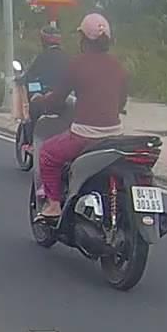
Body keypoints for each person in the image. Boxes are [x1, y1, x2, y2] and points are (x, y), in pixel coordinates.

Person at [32, 13, 129, 218]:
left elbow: (57, 99)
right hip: (114, 136)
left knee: (47, 154)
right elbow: (122, 101)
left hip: (84, 136)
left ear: (84, 39)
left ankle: (54, 205)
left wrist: (41, 102)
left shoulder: (77, 64)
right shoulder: (118, 65)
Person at [24, 24, 70, 94]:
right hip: (66, 95)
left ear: (43, 41)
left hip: (45, 96)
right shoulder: (67, 57)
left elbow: (30, 78)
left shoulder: (41, 58)